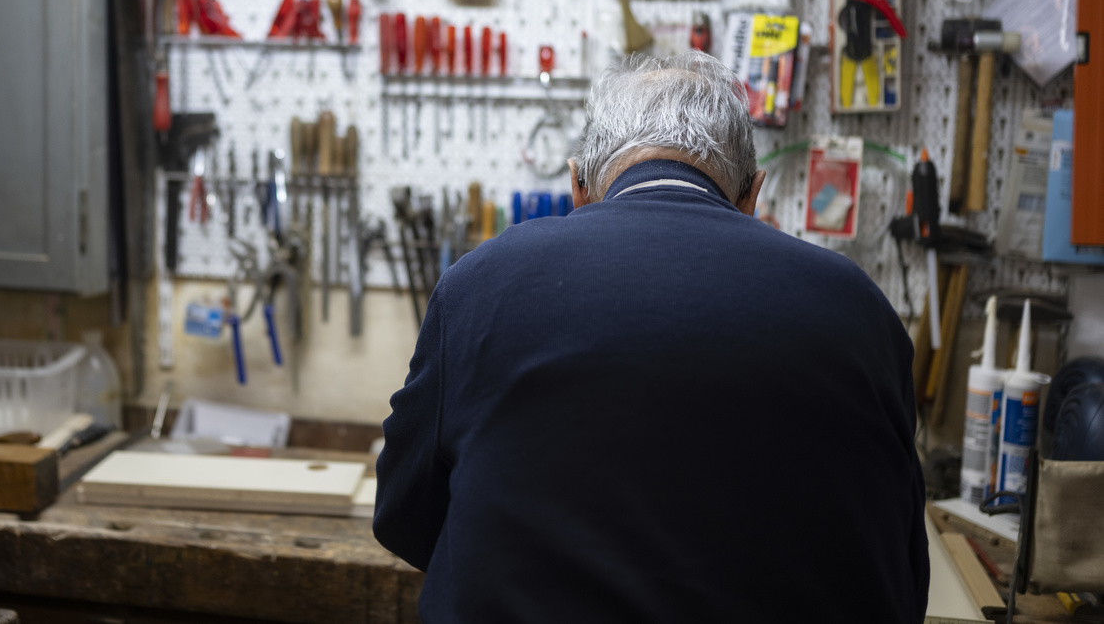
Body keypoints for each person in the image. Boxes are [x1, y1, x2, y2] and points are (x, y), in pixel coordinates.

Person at [373, 51, 928, 623]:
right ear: (752, 195)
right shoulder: (857, 307)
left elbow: (403, 515)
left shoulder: (481, 284)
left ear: (577, 186)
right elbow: (902, 567)